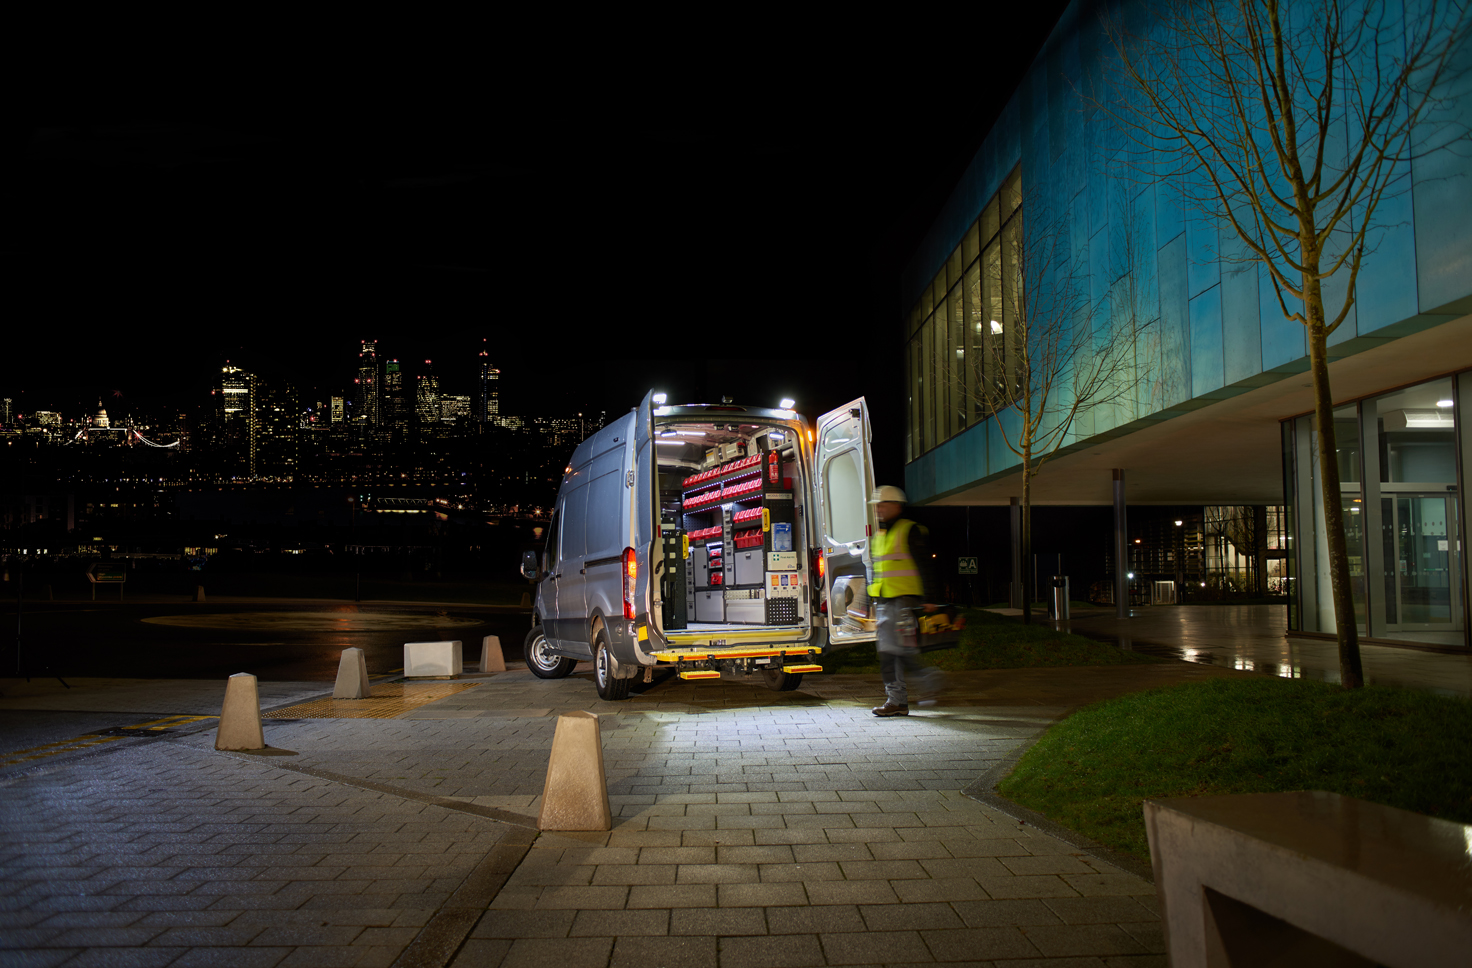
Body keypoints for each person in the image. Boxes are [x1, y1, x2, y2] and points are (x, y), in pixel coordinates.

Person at [867, 485, 943, 716]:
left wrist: (929, 598)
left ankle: (905, 694)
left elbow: (925, 565)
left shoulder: (909, 530)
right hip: (884, 601)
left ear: (897, 506)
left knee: (893, 651)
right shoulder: (879, 535)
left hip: (904, 600)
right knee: (893, 651)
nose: (878, 508)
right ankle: (903, 697)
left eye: (883, 504)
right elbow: (876, 570)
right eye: (876, 505)